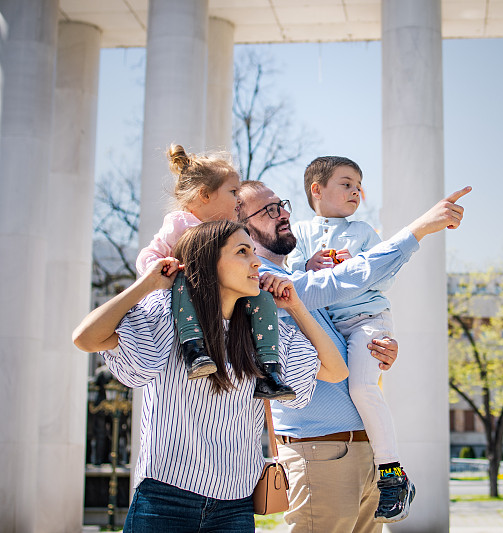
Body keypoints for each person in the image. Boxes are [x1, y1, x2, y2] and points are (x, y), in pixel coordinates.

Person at [72, 220, 348, 532]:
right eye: (242, 252)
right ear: (207, 262)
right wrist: (146, 285)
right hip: (165, 500)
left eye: (254, 252)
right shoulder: (167, 314)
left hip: (236, 505)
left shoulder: (262, 333)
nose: (256, 261)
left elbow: (336, 371)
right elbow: (85, 338)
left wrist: (296, 306)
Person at [238, 180, 470, 532]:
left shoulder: (294, 274)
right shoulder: (261, 281)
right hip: (318, 451)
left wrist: (379, 348)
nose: (284, 213)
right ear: (242, 227)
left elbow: (343, 335)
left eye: (281, 204)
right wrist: (418, 230)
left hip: (363, 450)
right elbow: (340, 283)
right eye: (268, 210)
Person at [285, 156, 410, 522]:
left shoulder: (364, 233)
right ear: (317, 189)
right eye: (346, 183)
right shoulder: (300, 234)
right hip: (331, 328)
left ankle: (391, 473)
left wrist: (355, 266)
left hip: (368, 322)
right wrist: (308, 267)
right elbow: (290, 280)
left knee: (363, 389)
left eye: (359, 185)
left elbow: (385, 278)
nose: (356, 190)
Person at [137, 144, 294, 400]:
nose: (238, 200)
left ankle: (269, 371)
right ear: (204, 195)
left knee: (263, 298)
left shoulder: (230, 231)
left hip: (224, 297)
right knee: (185, 280)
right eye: (233, 192)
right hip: (190, 292)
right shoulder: (180, 223)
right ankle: (194, 350)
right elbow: (148, 255)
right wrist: (162, 268)